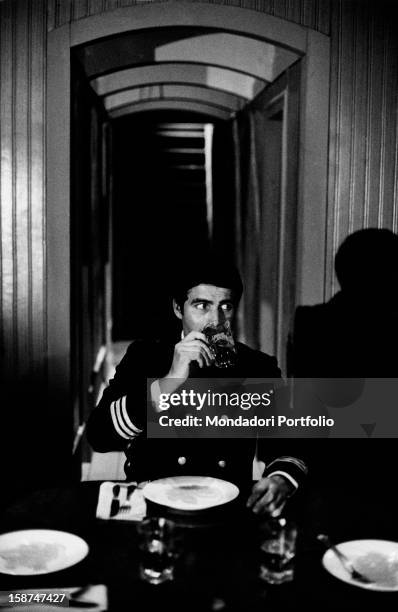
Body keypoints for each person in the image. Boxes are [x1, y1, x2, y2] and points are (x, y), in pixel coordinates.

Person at [87, 257, 307, 515]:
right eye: (201, 305)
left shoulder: (258, 367)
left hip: (225, 504)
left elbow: (289, 445)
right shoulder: (144, 357)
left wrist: (280, 479)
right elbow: (99, 436)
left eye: (226, 306)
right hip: (152, 505)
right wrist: (169, 382)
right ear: (178, 309)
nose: (215, 319)